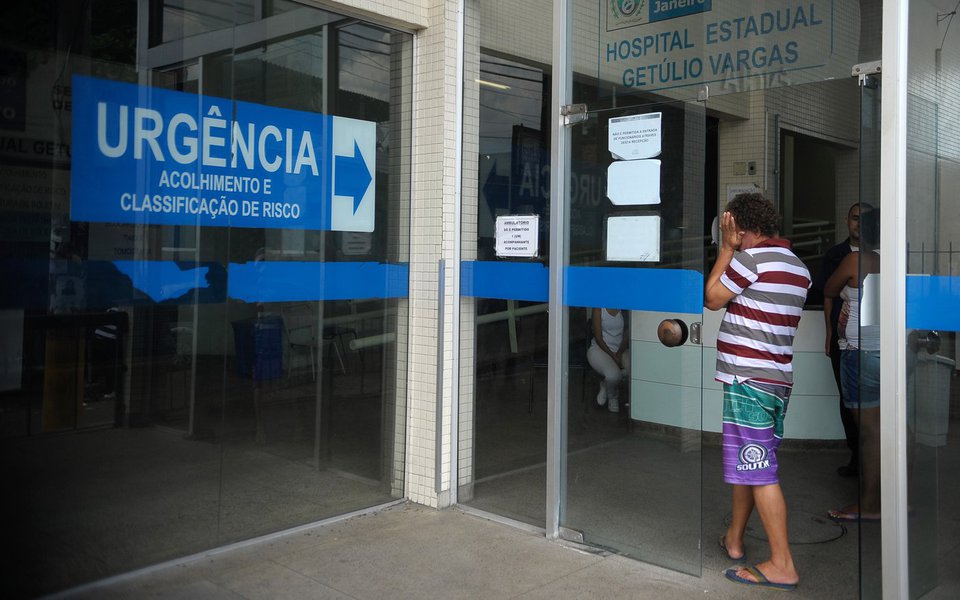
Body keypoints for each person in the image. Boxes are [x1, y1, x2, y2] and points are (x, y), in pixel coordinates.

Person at [704, 193, 810, 591]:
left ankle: (783, 564)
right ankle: (734, 539)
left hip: (747, 381)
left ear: (742, 229)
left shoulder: (750, 260)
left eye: (734, 232)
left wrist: (726, 251)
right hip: (776, 381)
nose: (733, 238)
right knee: (752, 464)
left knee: (760, 470)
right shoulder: (798, 267)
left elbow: (712, 298)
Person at [825, 208, 882, 522]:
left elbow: (830, 289)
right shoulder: (898, 260)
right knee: (898, 427)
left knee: (870, 431)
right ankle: (898, 497)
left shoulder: (856, 260)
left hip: (862, 352)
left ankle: (872, 503)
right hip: (892, 351)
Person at [819, 203, 870, 477]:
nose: (859, 224)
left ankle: (875, 462)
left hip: (878, 343)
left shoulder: (887, 254)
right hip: (844, 342)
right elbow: (827, 295)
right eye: (855, 218)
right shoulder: (836, 255)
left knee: (876, 403)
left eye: (866, 219)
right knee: (848, 400)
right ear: (847, 220)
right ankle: (857, 457)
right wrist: (829, 334)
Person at [587, 307, 629, 413]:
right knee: (613, 375)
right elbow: (598, 337)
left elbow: (627, 335)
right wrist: (613, 356)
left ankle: (606, 385)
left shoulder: (624, 308)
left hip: (621, 350)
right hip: (599, 349)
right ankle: (613, 397)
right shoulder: (598, 308)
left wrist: (619, 354)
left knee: (632, 371)